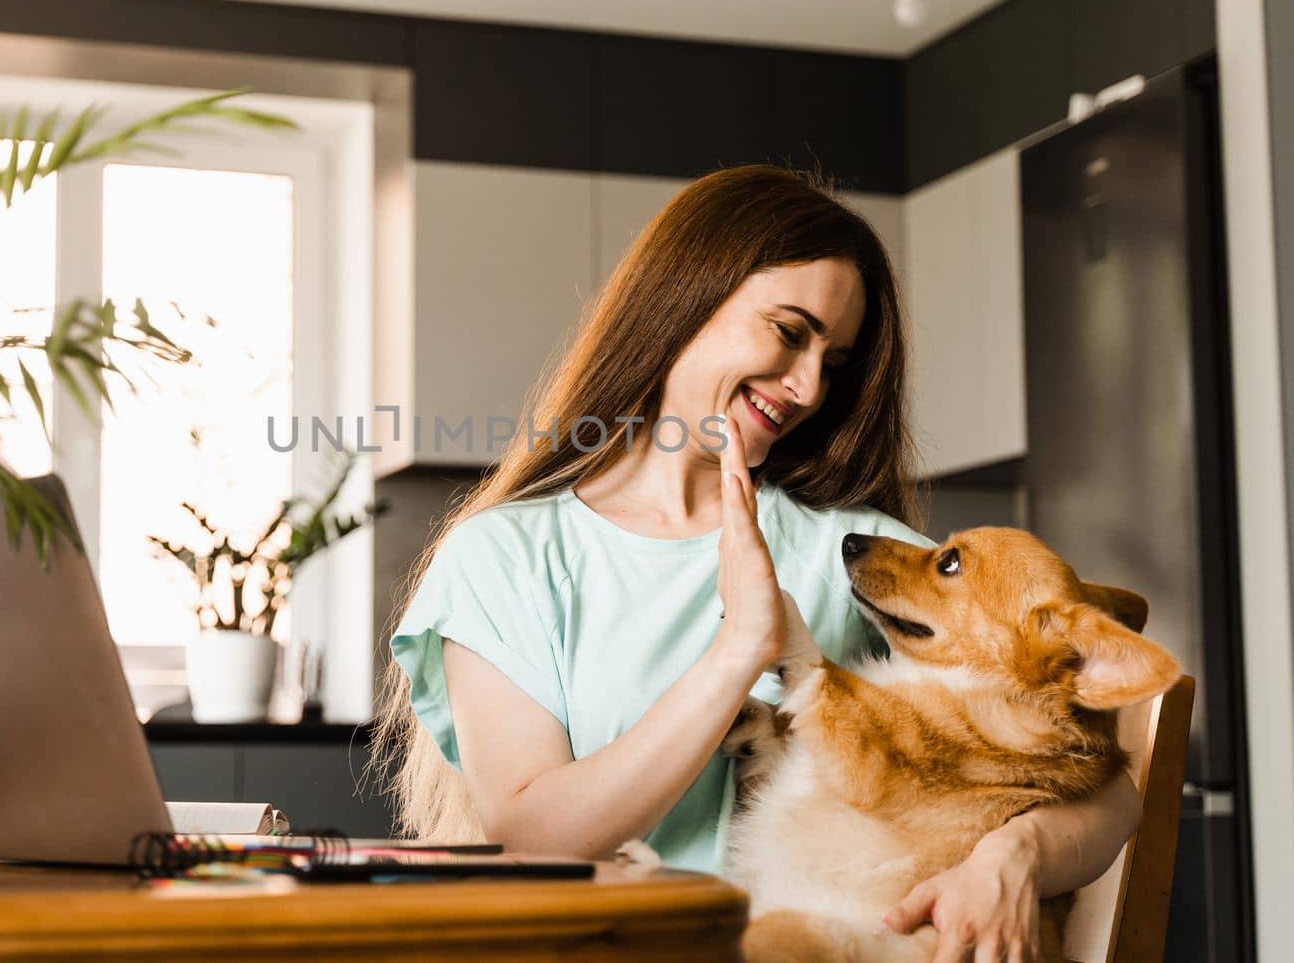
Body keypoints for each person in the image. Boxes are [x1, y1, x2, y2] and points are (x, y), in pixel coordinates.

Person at [378, 165, 1139, 962]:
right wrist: (742, 646)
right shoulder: (506, 558)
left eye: (834, 361)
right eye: (789, 330)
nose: (809, 386)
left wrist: (1010, 857)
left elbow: (1108, 789)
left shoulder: (859, 557)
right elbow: (536, 832)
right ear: (686, 297)